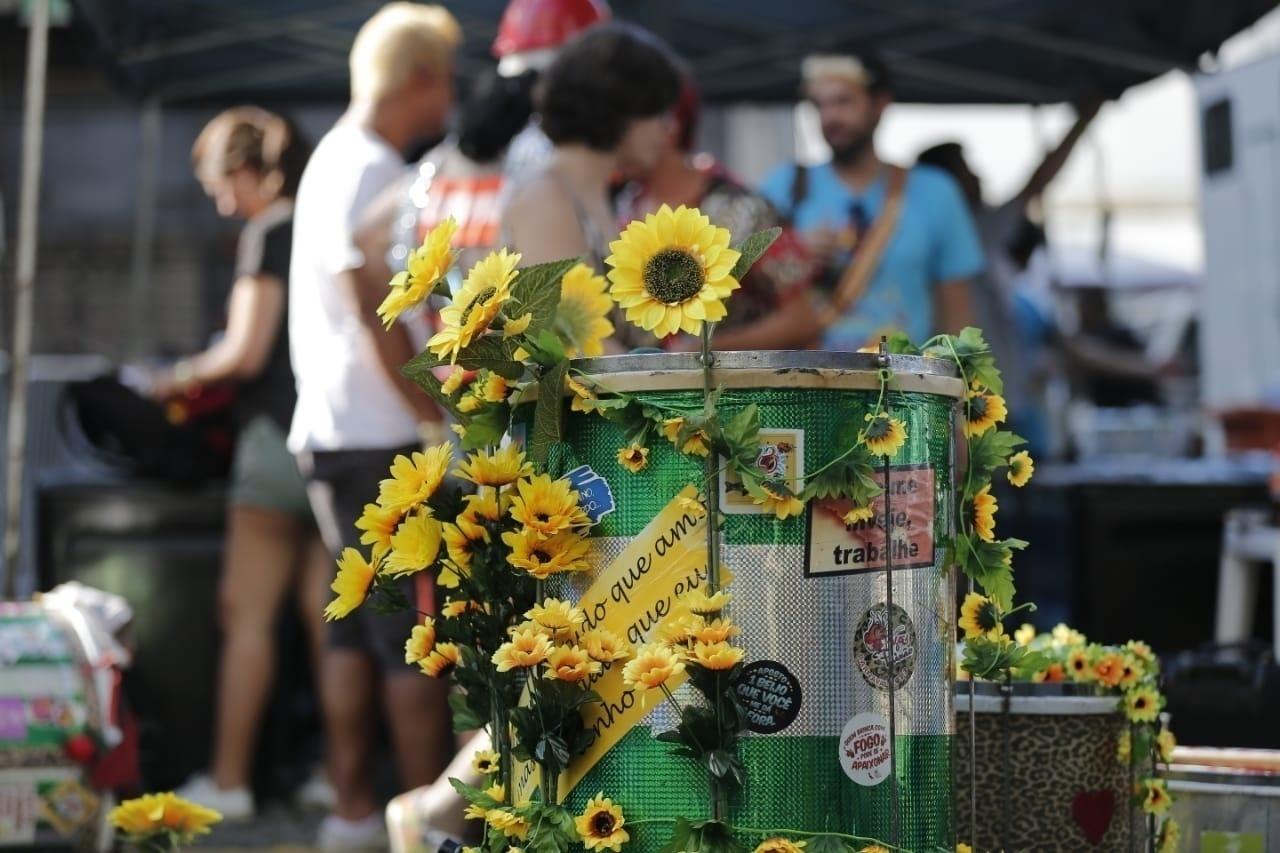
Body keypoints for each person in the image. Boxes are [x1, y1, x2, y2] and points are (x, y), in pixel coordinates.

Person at [286, 5, 460, 849]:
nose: (452, 103)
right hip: (380, 433)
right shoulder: (376, 167)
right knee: (412, 640)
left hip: (330, 427)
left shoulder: (333, 156)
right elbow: (370, 299)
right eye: (449, 82)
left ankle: (353, 808)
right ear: (421, 79)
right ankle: (420, 816)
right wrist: (433, 405)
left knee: (356, 630)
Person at [149, 107, 326, 822]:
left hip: (271, 440)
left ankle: (228, 779)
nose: (224, 202)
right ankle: (338, 783)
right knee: (328, 619)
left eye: (224, 184)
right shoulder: (324, 220)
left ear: (249, 171)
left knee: (245, 613)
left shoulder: (270, 231)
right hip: (333, 438)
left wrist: (170, 377)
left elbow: (243, 353)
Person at [760, 53, 984, 351]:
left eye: (843, 102)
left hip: (906, 390)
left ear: (880, 104)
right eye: (819, 106)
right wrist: (791, 252)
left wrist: (963, 389)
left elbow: (958, 313)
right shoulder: (782, 186)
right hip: (806, 388)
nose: (829, 118)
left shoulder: (936, 192)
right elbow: (741, 288)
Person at [917, 100, 1100, 450]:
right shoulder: (970, 230)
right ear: (946, 185)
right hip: (978, 411)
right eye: (967, 170)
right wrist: (1085, 117)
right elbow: (1037, 183)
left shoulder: (954, 236)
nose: (979, 177)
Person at [501, 22, 682, 348]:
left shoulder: (586, 192)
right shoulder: (547, 197)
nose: (665, 129)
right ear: (621, 108)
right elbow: (568, 338)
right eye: (657, 111)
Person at [616, 76, 818, 351]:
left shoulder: (743, 209)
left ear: (669, 125)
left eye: (622, 123)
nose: (609, 136)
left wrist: (710, 349)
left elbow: (802, 320)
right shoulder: (622, 206)